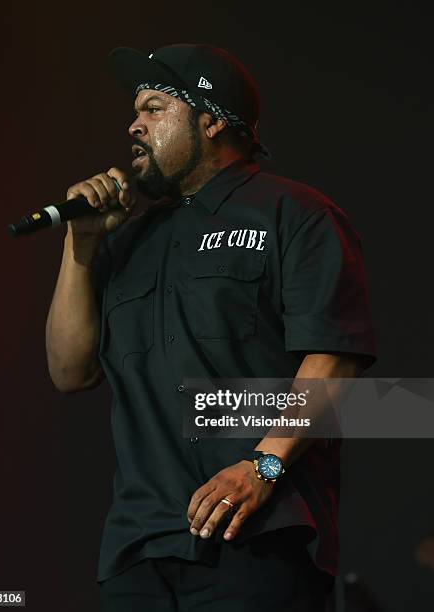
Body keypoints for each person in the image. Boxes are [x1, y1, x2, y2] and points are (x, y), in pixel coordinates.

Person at [45, 44, 377, 611]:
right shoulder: (128, 240)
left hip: (256, 532)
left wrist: (263, 467)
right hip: (139, 547)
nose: (134, 124)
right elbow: (69, 370)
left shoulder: (296, 213)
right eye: (136, 111)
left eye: (154, 108)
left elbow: (333, 361)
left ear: (212, 119)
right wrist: (83, 243)